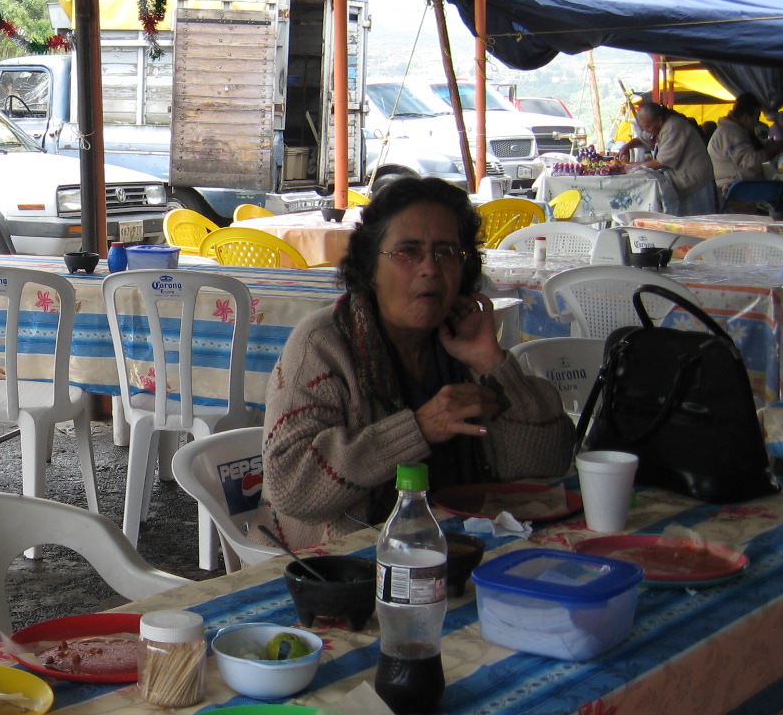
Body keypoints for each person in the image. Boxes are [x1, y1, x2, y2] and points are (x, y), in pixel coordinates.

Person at [261, 177, 574, 549]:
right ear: (370, 267)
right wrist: (418, 429)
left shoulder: (462, 340)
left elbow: (546, 466)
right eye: (407, 252)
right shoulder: (323, 344)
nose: (430, 268)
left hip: (466, 545)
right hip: (351, 559)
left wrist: (493, 363)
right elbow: (290, 489)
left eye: (446, 253)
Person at [618, 99, 716, 212]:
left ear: (659, 120)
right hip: (683, 181)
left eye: (648, 127)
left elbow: (662, 162)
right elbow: (642, 139)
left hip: (694, 181)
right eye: (643, 127)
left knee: (696, 217)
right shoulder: (656, 127)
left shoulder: (674, 126)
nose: (646, 130)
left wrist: (632, 166)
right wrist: (627, 146)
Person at [708, 93, 774, 202]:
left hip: (739, 186)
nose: (757, 123)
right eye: (756, 118)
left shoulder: (733, 132)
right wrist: (770, 151)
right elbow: (750, 162)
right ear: (746, 118)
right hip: (736, 189)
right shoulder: (731, 134)